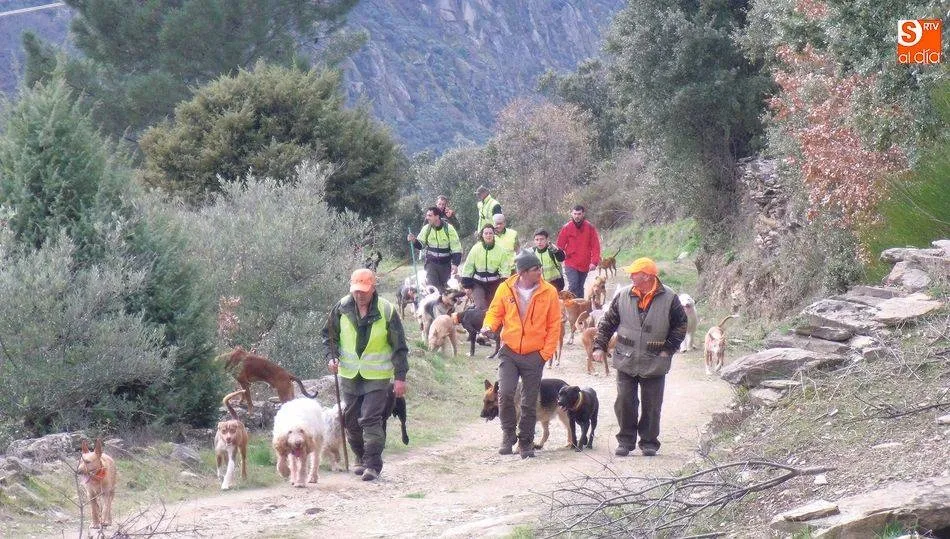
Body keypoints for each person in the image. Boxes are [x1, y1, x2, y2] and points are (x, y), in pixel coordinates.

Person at [591, 257, 687, 458]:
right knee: (624, 401)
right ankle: (625, 441)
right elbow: (608, 322)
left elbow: (680, 325)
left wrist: (668, 349)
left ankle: (649, 442)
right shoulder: (623, 295)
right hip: (626, 358)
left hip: (655, 360)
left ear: (647, 276)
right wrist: (599, 346)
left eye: (634, 273)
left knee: (652, 404)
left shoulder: (670, 297)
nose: (630, 276)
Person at [323, 269, 409, 481]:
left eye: (363, 291)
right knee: (351, 421)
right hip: (349, 374)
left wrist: (400, 377)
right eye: (356, 290)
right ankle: (360, 457)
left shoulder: (387, 310)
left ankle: (373, 464)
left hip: (377, 376)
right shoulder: (341, 308)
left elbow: (399, 347)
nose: (359, 295)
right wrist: (331, 357)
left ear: (373, 288)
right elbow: (329, 337)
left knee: (370, 418)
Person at [480, 250, 562, 458]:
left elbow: (554, 325)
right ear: (523, 272)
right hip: (509, 351)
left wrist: (545, 353)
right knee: (505, 393)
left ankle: (526, 441)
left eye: (540, 268)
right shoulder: (505, 288)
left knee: (529, 399)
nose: (540, 272)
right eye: (536, 269)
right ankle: (508, 435)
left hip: (535, 354)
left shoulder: (549, 292)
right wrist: (488, 326)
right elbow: (494, 312)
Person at [459, 225, 514, 310]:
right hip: (478, 283)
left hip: (494, 284)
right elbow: (469, 266)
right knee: (481, 307)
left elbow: (505, 268)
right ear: (482, 235)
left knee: (494, 307)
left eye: (490, 233)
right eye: (486, 233)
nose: (488, 235)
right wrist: (466, 285)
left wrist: (504, 283)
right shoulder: (476, 249)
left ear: (494, 234)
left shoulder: (500, 250)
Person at [408, 207, 463, 290]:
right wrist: (414, 240)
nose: (427, 218)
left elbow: (456, 248)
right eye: (427, 215)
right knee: (433, 289)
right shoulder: (426, 228)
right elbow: (420, 245)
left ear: (437, 217)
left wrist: (455, 264)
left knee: (444, 290)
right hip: (431, 264)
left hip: (445, 265)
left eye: (430, 215)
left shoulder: (449, 229)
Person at [556, 205, 601, 299]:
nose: (577, 216)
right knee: (573, 285)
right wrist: (558, 257)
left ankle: (580, 306)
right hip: (570, 263)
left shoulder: (590, 227)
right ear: (571, 214)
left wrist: (594, 262)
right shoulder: (567, 227)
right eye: (575, 214)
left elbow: (595, 246)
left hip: (585, 263)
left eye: (579, 214)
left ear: (583, 214)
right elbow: (559, 246)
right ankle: (569, 305)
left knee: (580, 287)